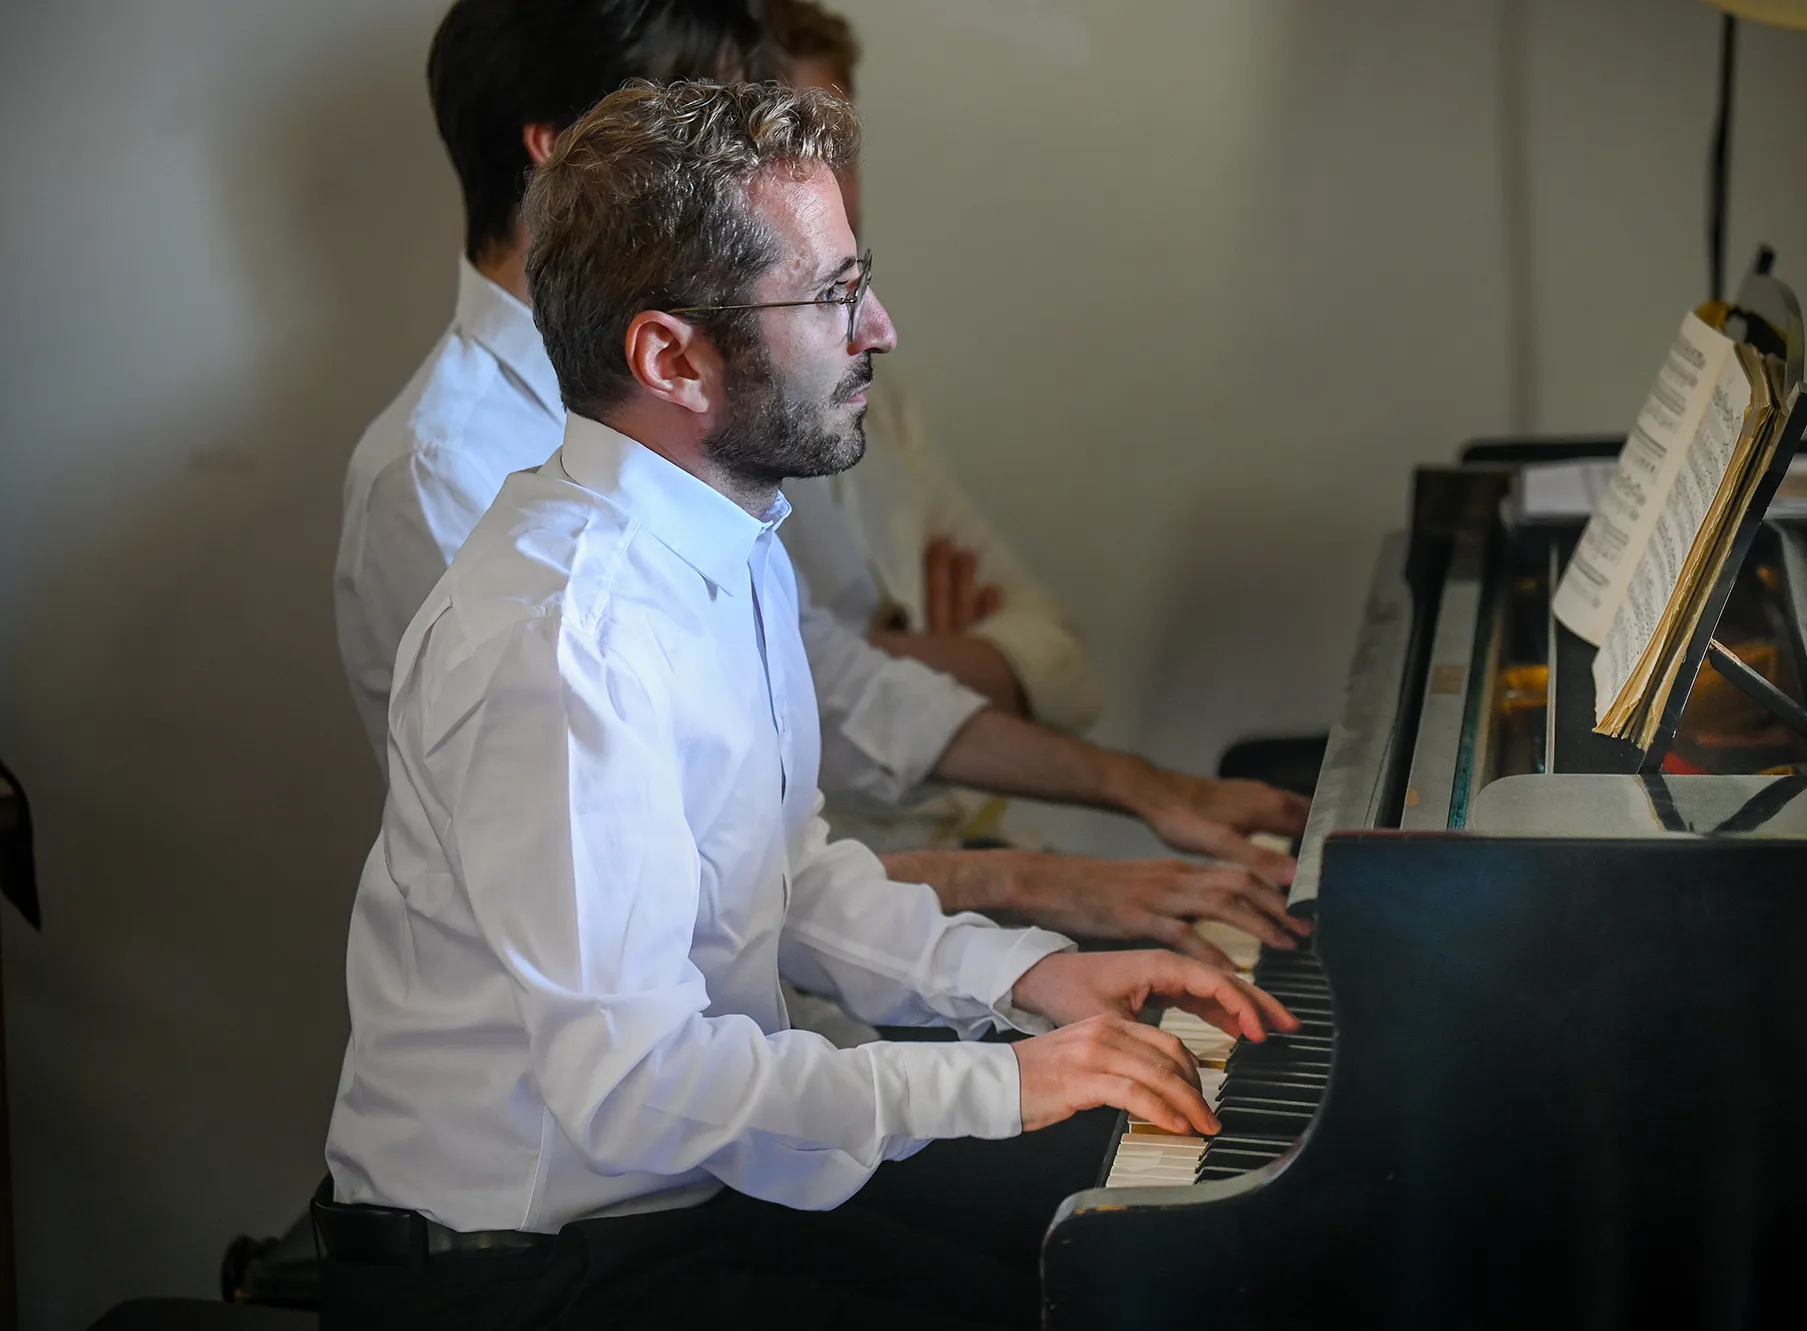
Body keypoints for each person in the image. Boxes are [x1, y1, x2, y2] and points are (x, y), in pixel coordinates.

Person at [315, 78, 1297, 1329]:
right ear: (670, 355)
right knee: (1082, 1288)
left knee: (1108, 1247)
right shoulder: (564, 642)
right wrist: (1000, 1088)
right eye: (831, 293)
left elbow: (780, 884)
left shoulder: (724, 529)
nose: (878, 325)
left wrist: (1028, 981)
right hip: (528, 1265)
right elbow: (633, 1088)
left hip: (665, 1187)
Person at [333, 0, 1313, 976]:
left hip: (800, 1008)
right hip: (636, 1069)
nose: (743, 145)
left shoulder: (703, 393)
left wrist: (1140, 788)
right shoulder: (441, 471)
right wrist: (1028, 888)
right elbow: (669, 915)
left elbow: (832, 683)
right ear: (553, 155)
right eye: (698, 112)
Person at [767, 0, 1102, 859]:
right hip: (850, 904)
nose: (833, 188)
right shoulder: (683, 427)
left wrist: (900, 654)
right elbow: (793, 701)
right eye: (797, 148)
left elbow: (1063, 659)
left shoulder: (883, 391)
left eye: (840, 147)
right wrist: (947, 656)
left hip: (974, 847)